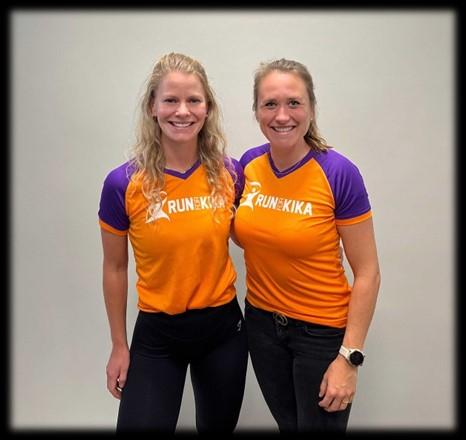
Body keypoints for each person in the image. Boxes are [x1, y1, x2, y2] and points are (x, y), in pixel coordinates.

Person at [98, 52, 248, 433]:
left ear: (207, 108)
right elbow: (115, 267)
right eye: (170, 100)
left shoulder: (230, 174)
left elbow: (258, 235)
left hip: (223, 331)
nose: (182, 111)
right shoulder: (122, 183)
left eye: (193, 100)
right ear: (152, 106)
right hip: (158, 334)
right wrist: (119, 345)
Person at [232, 58, 381, 433]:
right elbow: (245, 230)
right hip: (262, 326)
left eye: (294, 103)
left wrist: (349, 357)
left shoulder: (338, 172)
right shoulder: (248, 165)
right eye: (270, 104)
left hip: (321, 332)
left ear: (311, 108)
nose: (282, 115)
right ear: (256, 111)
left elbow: (368, 272)